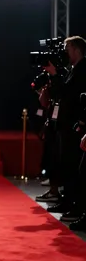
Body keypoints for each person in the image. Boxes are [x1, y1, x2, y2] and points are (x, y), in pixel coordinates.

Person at [43, 36, 86, 221]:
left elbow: (68, 93)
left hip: (75, 125)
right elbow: (59, 93)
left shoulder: (83, 70)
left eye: (67, 49)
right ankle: (68, 201)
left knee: (74, 167)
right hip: (66, 124)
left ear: (76, 49)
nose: (64, 53)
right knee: (65, 165)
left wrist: (54, 75)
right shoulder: (72, 70)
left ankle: (76, 206)